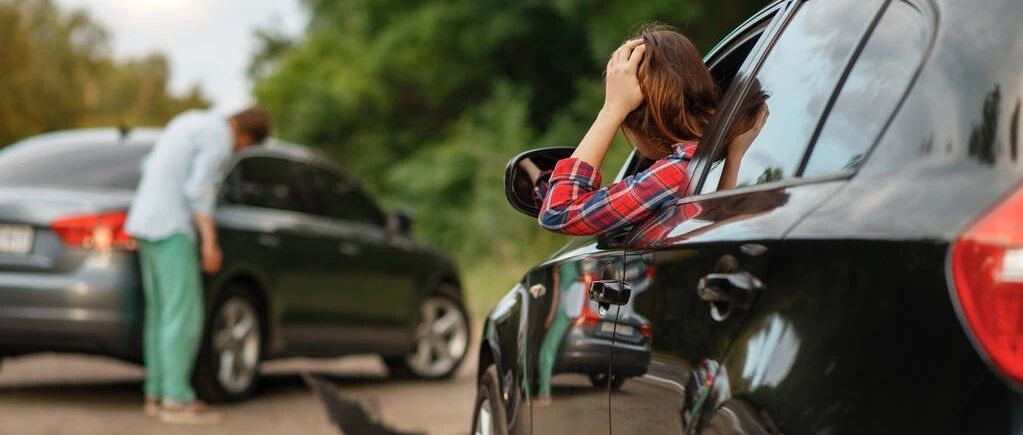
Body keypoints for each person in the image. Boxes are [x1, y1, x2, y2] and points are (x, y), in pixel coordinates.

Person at [536, 24, 768, 236]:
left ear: (635, 121)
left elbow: (558, 212)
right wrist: (734, 158)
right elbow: (716, 227)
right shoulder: (701, 162)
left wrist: (611, 111)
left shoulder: (676, 172)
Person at [125, 106, 271, 424]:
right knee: (184, 315)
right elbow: (199, 190)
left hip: (144, 221)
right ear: (246, 136)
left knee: (161, 315)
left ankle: (157, 392)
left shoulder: (187, 121)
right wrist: (209, 242)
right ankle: (176, 398)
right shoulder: (218, 137)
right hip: (172, 226)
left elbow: (148, 164)